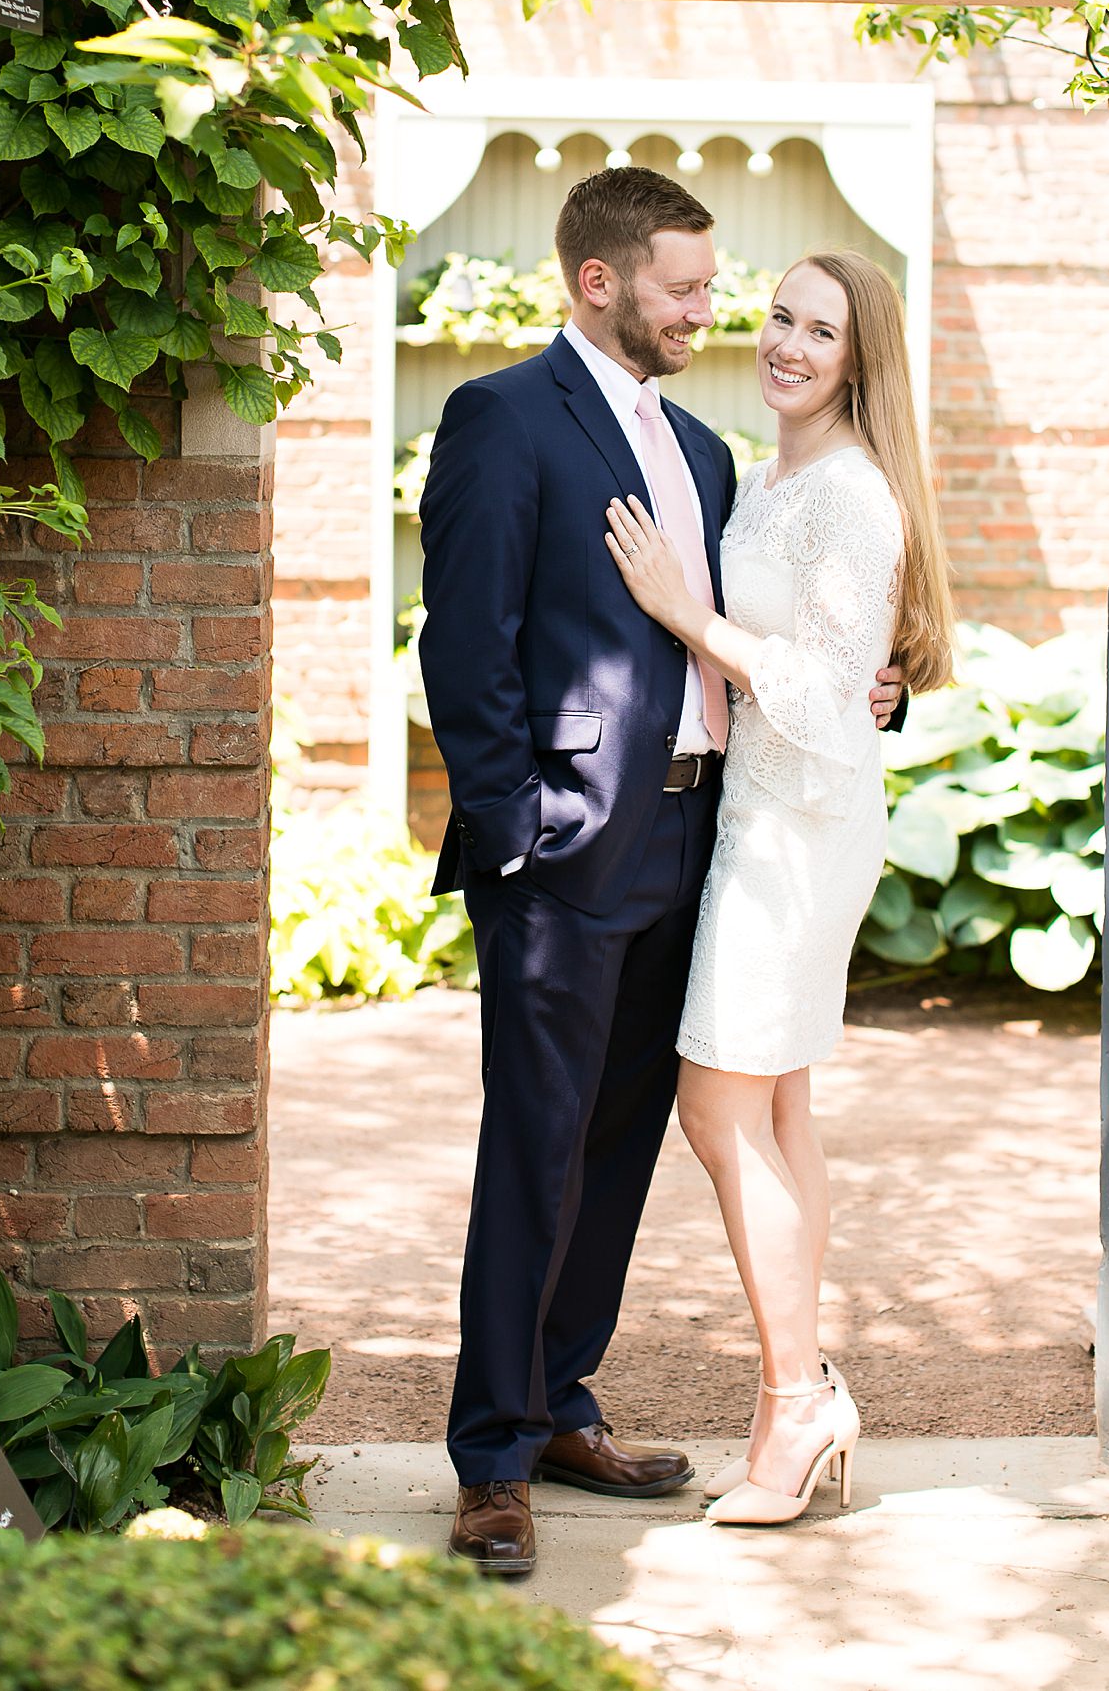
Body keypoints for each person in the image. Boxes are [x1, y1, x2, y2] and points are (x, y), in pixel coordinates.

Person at [417, 171, 905, 1575]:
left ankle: (564, 1397)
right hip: (564, 856)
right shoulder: (504, 419)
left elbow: (781, 628)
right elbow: (467, 645)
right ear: (599, 283)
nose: (712, 310)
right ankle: (492, 1457)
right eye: (686, 288)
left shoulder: (704, 453)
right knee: (535, 1145)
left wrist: (874, 692)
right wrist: (515, 828)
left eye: (712, 287)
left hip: (706, 842)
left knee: (623, 1146)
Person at [605, 247, 953, 1526]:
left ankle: (795, 1399)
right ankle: (805, 1393)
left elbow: (818, 697)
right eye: (779, 318)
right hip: (770, 813)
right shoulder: (780, 471)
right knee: (781, 1112)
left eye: (821, 332)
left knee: (715, 1108)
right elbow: (837, 664)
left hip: (794, 833)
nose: (787, 345)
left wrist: (683, 612)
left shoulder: (853, 495)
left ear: (861, 360)